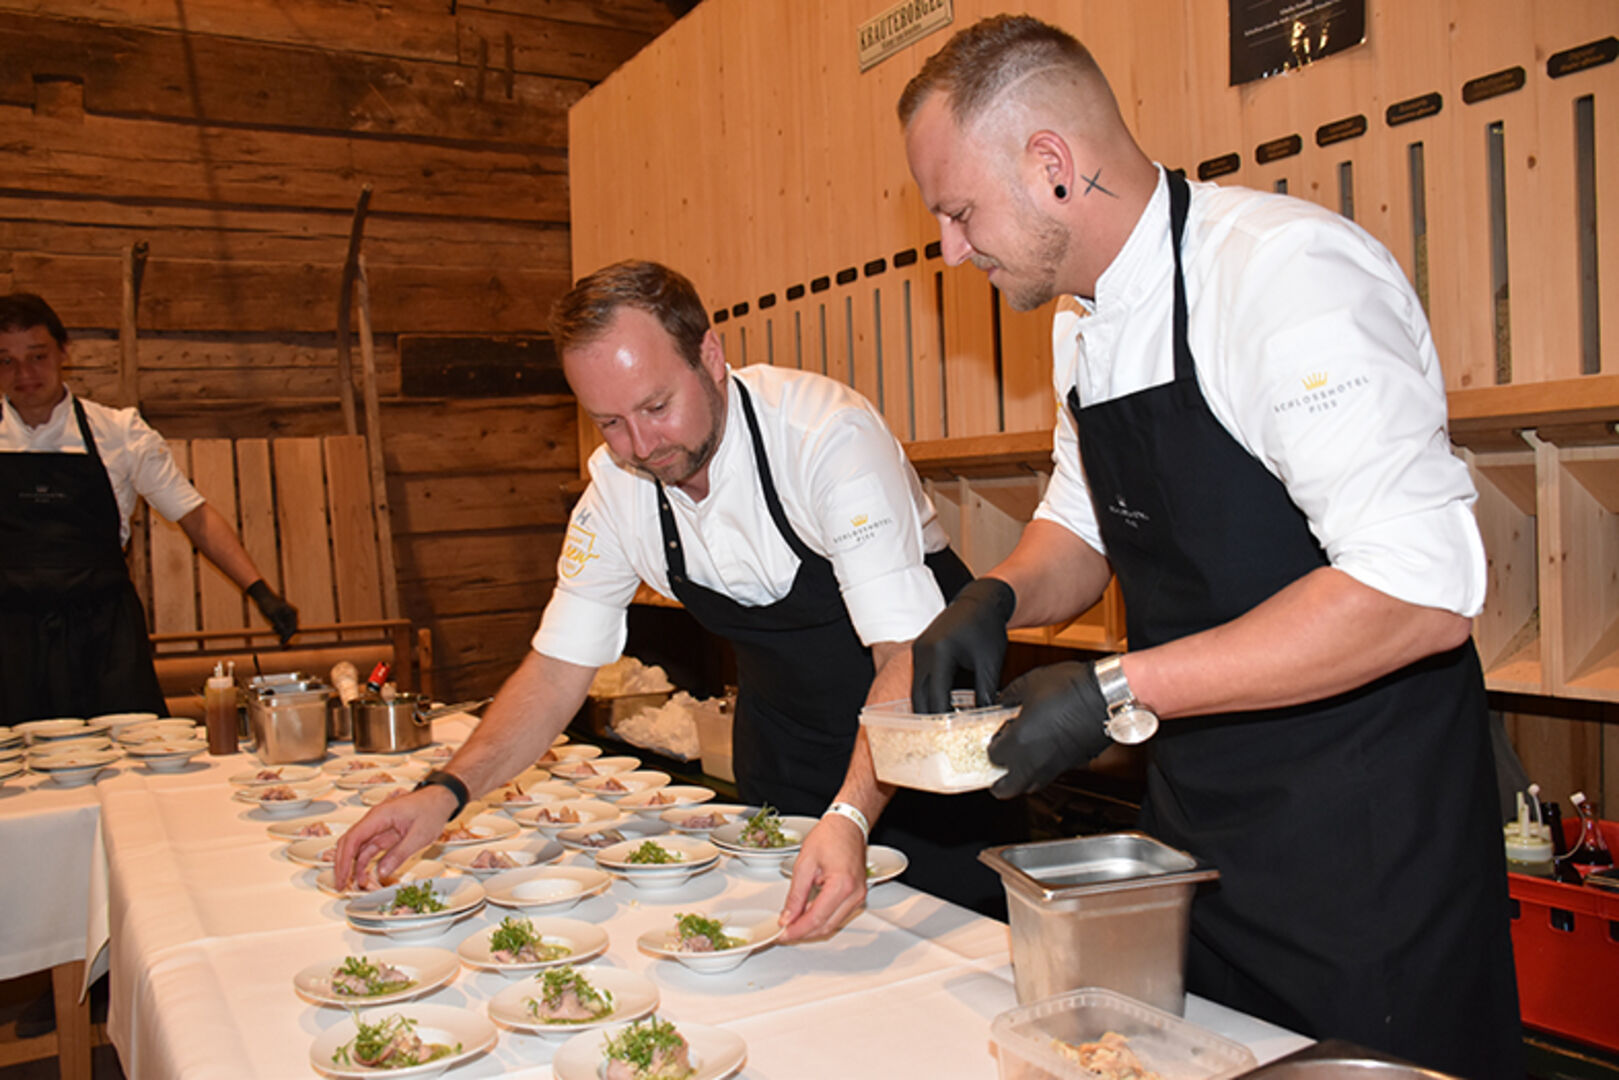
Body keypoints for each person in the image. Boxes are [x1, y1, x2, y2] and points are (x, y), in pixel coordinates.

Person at [898, 15, 1521, 1078]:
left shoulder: (1284, 278)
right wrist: (996, 596)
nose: (952, 249)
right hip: (1200, 831)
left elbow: (1417, 594)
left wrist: (1112, 690)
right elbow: (1083, 525)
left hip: (1363, 845)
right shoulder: (1080, 321)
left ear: (1050, 164)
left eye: (957, 212)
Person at [335, 260, 1019, 936]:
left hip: (923, 746)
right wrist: (444, 792)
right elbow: (556, 671)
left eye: (656, 408)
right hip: (787, 749)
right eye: (609, 422)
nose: (641, 446)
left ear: (710, 356)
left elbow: (904, 654)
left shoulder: (824, 438)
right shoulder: (615, 490)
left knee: (950, 947)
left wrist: (849, 814)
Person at [0, 293, 299, 723]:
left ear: (64, 351)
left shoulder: (119, 432)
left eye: (37, 356)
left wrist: (260, 591)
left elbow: (194, 515)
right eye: (6, 361)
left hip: (104, 635)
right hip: (11, 638)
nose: (24, 374)